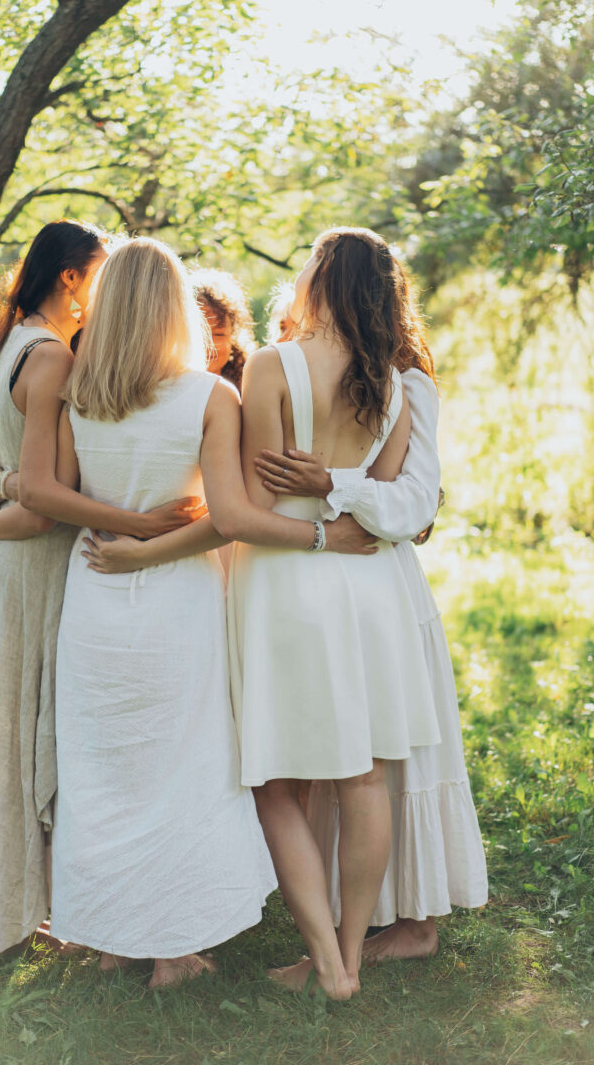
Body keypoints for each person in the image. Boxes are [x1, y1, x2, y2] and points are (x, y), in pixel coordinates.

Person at [17, 236, 375, 988]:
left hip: (97, 590)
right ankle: (173, 950)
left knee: (104, 770)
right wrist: (164, 531)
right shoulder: (212, 396)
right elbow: (230, 514)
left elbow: (60, 491)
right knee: (179, 768)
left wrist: (124, 526)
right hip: (178, 597)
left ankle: (116, 935)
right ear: (178, 307)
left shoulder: (83, 392)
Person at [0, 221, 196, 955]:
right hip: (34, 569)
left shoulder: (18, 341)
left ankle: (31, 908)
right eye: (99, 276)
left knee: (15, 734)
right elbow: (49, 496)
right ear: (70, 279)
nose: (106, 295)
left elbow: (17, 476)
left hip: (18, 562)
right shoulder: (50, 355)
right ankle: (32, 912)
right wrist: (136, 521)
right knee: (28, 738)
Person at [227, 226, 443, 999]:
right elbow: (392, 507)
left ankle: (325, 963)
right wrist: (341, 498)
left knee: (279, 783)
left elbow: (252, 502)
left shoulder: (270, 367)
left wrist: (311, 508)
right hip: (370, 583)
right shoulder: (393, 380)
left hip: (289, 578)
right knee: (365, 777)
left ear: (318, 280)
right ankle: (350, 953)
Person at [254, 364, 488, 960]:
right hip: (335, 578)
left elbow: (417, 503)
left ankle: (414, 922)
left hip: (386, 582)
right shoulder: (325, 367)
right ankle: (350, 919)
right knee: (354, 765)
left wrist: (331, 481)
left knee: (396, 761)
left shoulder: (406, 381)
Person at [192, 268, 256, 388]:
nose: (209, 344)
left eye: (219, 334)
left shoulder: (247, 390)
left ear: (232, 339)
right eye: (199, 334)